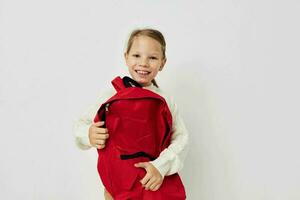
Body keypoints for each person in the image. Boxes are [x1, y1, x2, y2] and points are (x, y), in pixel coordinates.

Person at [73, 28, 189, 200]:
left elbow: (181, 138)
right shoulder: (112, 94)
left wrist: (160, 166)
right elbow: (80, 125)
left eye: (152, 58)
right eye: (136, 56)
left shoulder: (164, 100)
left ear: (162, 63)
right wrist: (88, 134)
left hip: (153, 183)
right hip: (118, 186)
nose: (143, 63)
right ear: (126, 57)